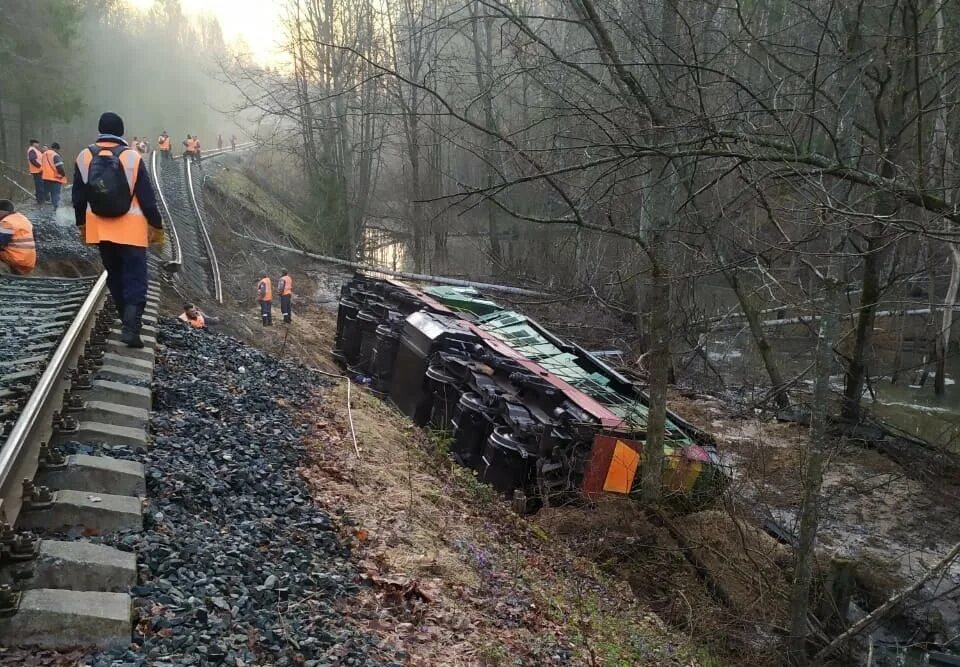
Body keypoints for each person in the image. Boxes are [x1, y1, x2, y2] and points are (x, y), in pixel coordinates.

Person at [73, 111, 164, 348]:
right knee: (135, 278)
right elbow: (147, 198)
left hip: (100, 229)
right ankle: (131, 329)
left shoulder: (84, 156)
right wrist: (157, 225)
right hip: (131, 230)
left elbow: (78, 197)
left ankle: (126, 319)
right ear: (121, 132)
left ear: (100, 129)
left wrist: (82, 225)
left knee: (114, 276)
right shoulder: (132, 157)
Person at [0, 200, 37, 275]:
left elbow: (1, 241)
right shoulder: (23, 218)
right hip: (29, 261)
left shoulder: (6, 222)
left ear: (3, 212)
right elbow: (34, 237)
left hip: (16, 260)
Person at [40, 143, 67, 208]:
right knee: (55, 194)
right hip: (55, 178)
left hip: (45, 177)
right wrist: (63, 174)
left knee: (47, 193)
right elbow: (59, 167)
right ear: (56, 149)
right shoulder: (55, 155)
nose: (58, 151)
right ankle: (56, 210)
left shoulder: (44, 154)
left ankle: (43, 207)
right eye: (58, 150)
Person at [26, 139, 44, 204]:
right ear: (33, 143)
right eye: (37, 143)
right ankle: (40, 200)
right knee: (39, 186)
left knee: (40, 185)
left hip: (39, 170)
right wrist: (40, 166)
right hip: (37, 171)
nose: (38, 144)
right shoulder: (32, 150)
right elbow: (32, 160)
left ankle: (41, 199)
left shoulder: (36, 150)